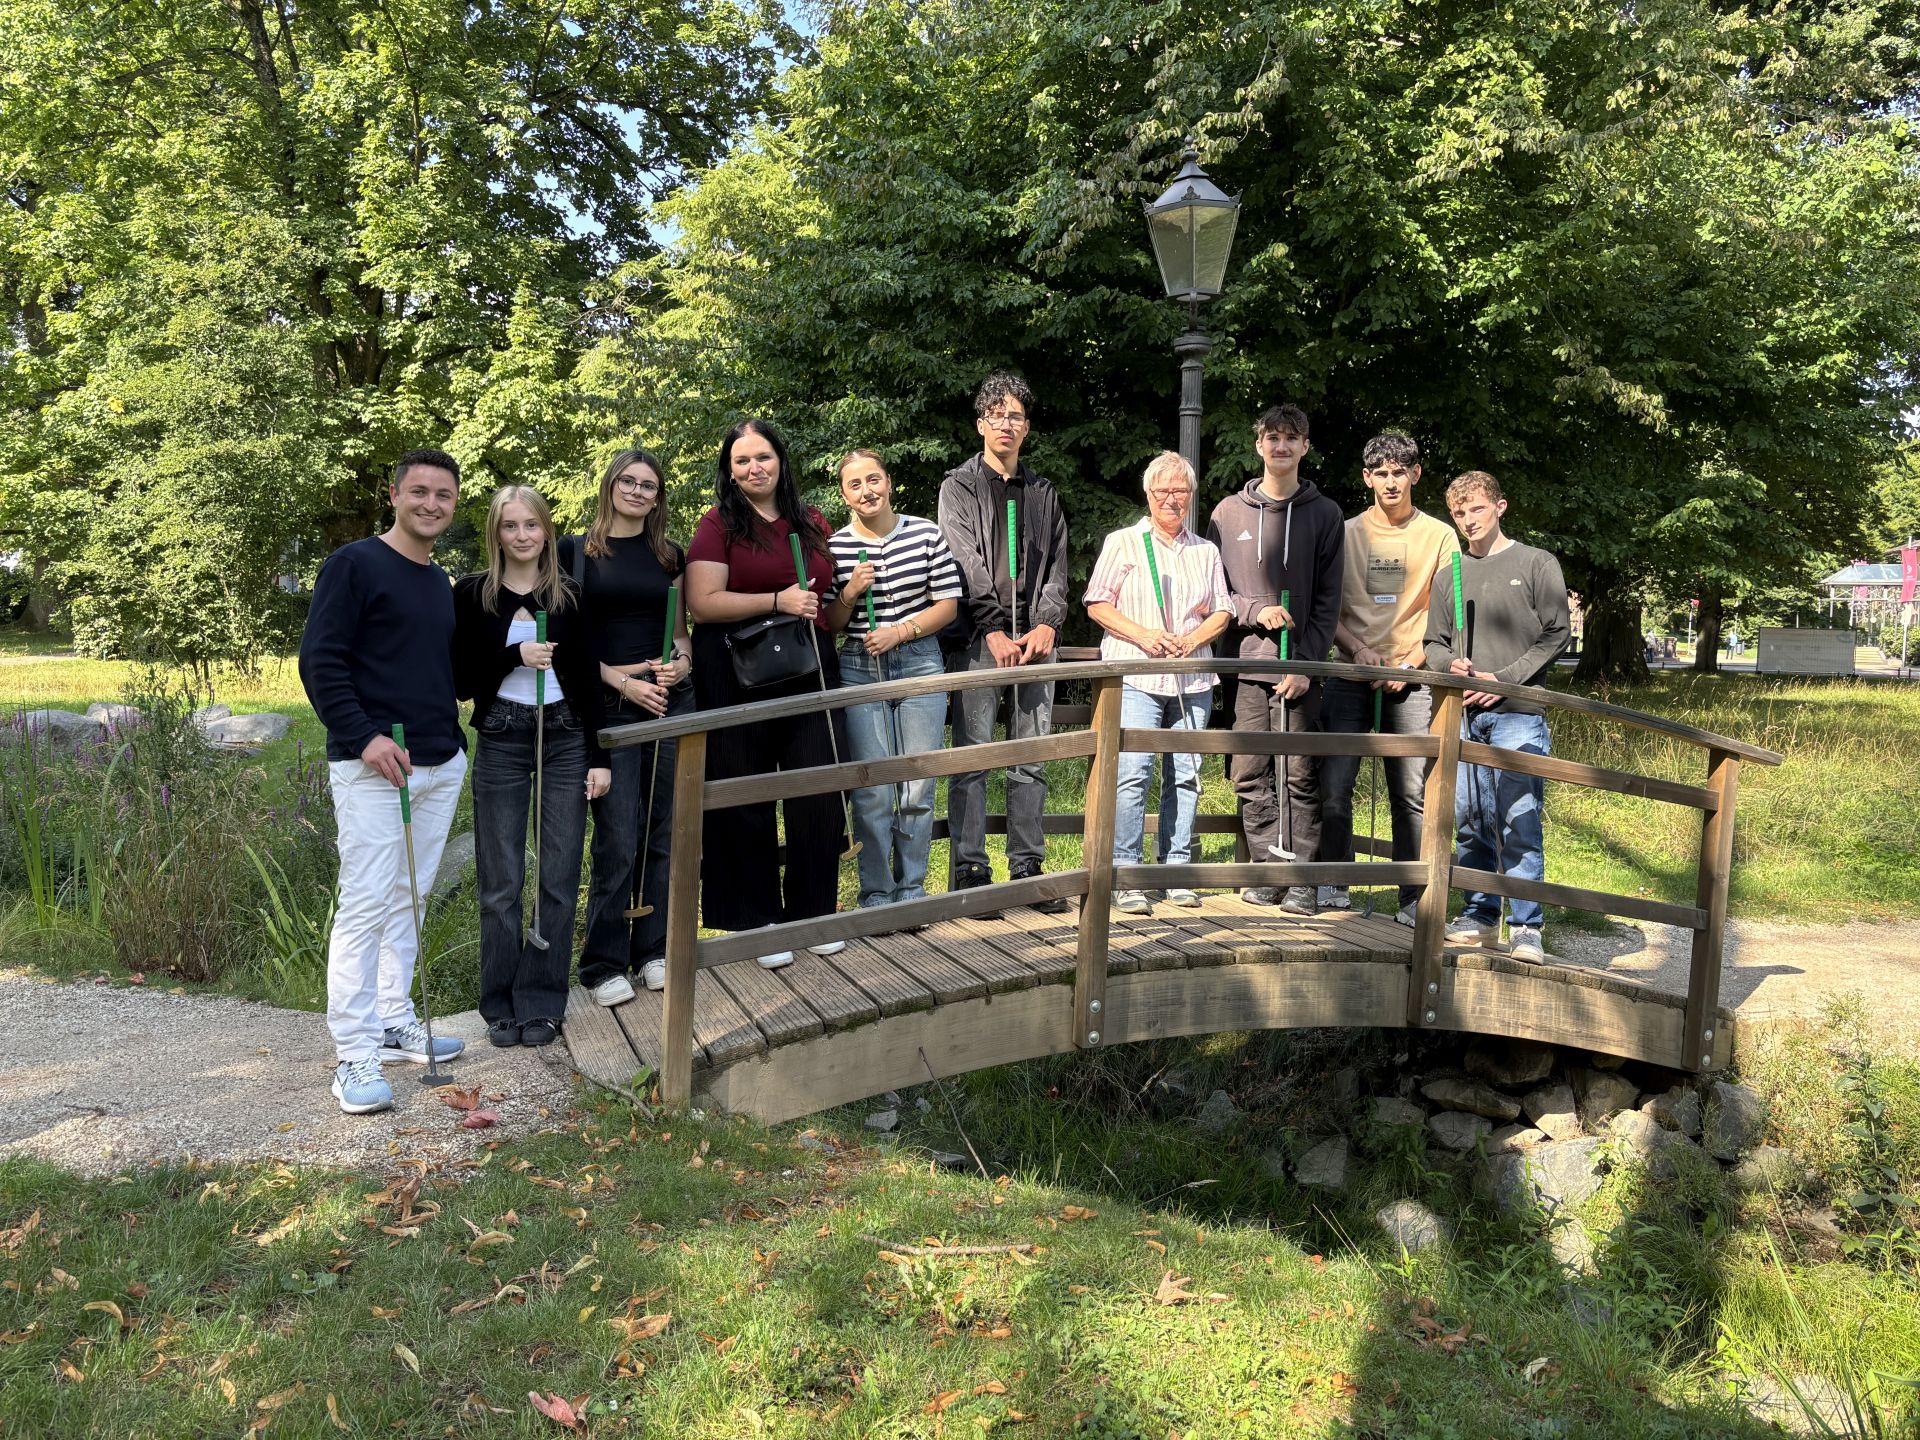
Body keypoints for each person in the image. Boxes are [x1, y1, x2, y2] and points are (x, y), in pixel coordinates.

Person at [298, 448, 468, 1116]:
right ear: (393, 495)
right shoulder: (354, 564)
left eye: (443, 495)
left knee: (411, 898)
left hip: (439, 762)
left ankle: (395, 1022)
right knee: (366, 904)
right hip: (373, 766)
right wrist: (365, 737)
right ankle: (354, 1054)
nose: (431, 504)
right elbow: (320, 661)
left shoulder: (437, 580)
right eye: (418, 491)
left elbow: (438, 669)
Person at [685, 419, 849, 967]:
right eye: (742, 460)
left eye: (763, 457)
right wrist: (777, 600)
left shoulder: (812, 521)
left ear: (781, 460)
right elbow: (703, 602)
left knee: (818, 788)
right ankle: (756, 920)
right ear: (729, 471)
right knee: (745, 793)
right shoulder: (718, 524)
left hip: (809, 665)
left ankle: (813, 912)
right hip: (737, 671)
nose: (754, 468)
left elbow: (827, 598)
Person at [454, 486, 611, 1047]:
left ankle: (542, 999)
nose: (522, 536)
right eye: (510, 526)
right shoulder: (472, 594)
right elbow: (461, 680)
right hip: (502, 735)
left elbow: (588, 678)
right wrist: (513, 656)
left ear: (547, 531)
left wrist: (599, 756)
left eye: (531, 525)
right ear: (496, 534)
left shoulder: (569, 596)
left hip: (564, 734)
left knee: (559, 873)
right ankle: (500, 1003)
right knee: (501, 879)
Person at [560, 448, 692, 1002]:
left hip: (667, 702)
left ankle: (654, 950)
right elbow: (566, 645)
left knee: (664, 830)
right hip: (610, 703)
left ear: (658, 497)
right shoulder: (574, 552)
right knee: (617, 835)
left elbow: (680, 634)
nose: (637, 491)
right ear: (610, 486)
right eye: (628, 481)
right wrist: (622, 682)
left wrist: (682, 665)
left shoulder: (669, 555)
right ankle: (603, 962)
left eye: (648, 485)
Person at [1423, 471, 1570, 963]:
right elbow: (1432, 643)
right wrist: (1450, 665)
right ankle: (1481, 915)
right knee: (1470, 818)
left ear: (1500, 507)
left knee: (1517, 817)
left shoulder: (1536, 563)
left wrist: (1503, 680)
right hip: (1464, 714)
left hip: (1518, 711)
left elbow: (1556, 633)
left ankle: (1527, 926)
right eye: (1459, 513)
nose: (1468, 520)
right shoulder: (1449, 575)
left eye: (1477, 509)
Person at [938, 372, 1072, 913]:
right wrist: (993, 627)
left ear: (1027, 427)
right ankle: (970, 870)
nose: (1006, 425)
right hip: (979, 639)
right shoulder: (958, 487)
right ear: (980, 424)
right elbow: (963, 561)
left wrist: (1047, 624)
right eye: (997, 415)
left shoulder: (1042, 493)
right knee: (973, 758)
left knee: (1030, 758)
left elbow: (1058, 565)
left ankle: (1027, 866)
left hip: (1035, 641)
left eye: (1015, 416)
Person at [1205, 403, 1345, 909]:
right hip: (1245, 665)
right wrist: (1253, 610)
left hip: (1297, 670)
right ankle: (1268, 871)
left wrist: (1306, 665)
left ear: (1305, 447)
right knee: (1248, 773)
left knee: (1299, 775)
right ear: (1258, 444)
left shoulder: (1325, 514)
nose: (1281, 446)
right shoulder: (1227, 512)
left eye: (1291, 438)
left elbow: (1329, 600)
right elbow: (1215, 589)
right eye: (1272, 437)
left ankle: (1302, 879)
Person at [1316, 432, 1460, 925]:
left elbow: (1447, 614)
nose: (1391, 482)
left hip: (1411, 677)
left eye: (1400, 472)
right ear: (1367, 478)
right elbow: (1326, 608)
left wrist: (1411, 664)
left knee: (1412, 792)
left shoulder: (1440, 535)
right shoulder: (1344, 531)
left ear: (1415, 474)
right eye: (1381, 473)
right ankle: (1335, 883)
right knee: (1334, 785)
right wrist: (1358, 650)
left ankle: (1412, 895)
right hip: (1350, 669)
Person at [1085, 452, 1233, 914]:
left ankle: (1175, 871)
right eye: (1162, 490)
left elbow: (1223, 611)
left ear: (1191, 495)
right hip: (1137, 675)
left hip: (1192, 679)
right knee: (1133, 774)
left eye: (1180, 490)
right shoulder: (1123, 543)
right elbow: (1097, 603)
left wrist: (1192, 640)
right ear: (1147, 494)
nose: (1171, 499)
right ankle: (1126, 875)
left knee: (1186, 775)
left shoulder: (1205, 551)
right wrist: (1145, 636)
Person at [826, 450, 962, 910]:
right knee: (873, 789)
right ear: (844, 494)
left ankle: (912, 890)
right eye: (855, 484)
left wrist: (900, 632)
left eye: (873, 480)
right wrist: (850, 591)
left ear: (888, 482)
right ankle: (877, 893)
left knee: (918, 785)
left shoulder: (925, 533)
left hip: (920, 662)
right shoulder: (836, 547)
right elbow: (831, 622)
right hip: (859, 668)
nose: (867, 491)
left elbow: (947, 605)